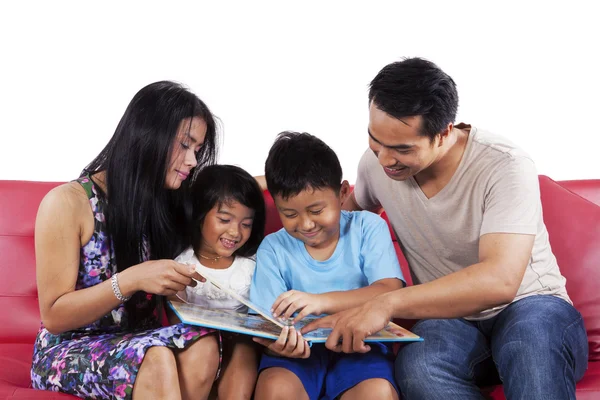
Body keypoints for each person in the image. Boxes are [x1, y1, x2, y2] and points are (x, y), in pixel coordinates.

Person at [303, 58, 589, 399]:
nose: (384, 159)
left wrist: (386, 304)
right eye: (374, 139)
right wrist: (263, 185)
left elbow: (500, 281)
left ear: (443, 133)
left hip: (531, 306)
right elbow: (337, 221)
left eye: (402, 149)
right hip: (449, 320)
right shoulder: (377, 165)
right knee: (419, 367)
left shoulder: (504, 165)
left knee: (531, 346)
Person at [32, 81, 224, 400]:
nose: (192, 161)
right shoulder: (68, 202)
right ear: (148, 136)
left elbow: (232, 190)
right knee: (155, 356)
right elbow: (54, 316)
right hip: (67, 350)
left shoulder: (164, 202)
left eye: (198, 150)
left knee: (203, 342)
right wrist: (132, 279)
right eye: (185, 145)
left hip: (137, 341)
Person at [249, 132, 405, 400]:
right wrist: (277, 345)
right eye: (290, 214)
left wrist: (319, 301)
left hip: (360, 347)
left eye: (317, 211)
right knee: (275, 390)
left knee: (376, 393)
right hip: (297, 356)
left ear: (343, 193)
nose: (306, 224)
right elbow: (264, 323)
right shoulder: (273, 248)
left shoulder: (368, 227)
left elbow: (389, 290)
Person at [169, 164, 266, 399]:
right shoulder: (181, 264)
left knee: (245, 349)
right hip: (197, 349)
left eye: (246, 224)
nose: (235, 232)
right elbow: (174, 324)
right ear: (200, 215)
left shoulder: (252, 264)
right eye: (225, 219)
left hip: (242, 347)